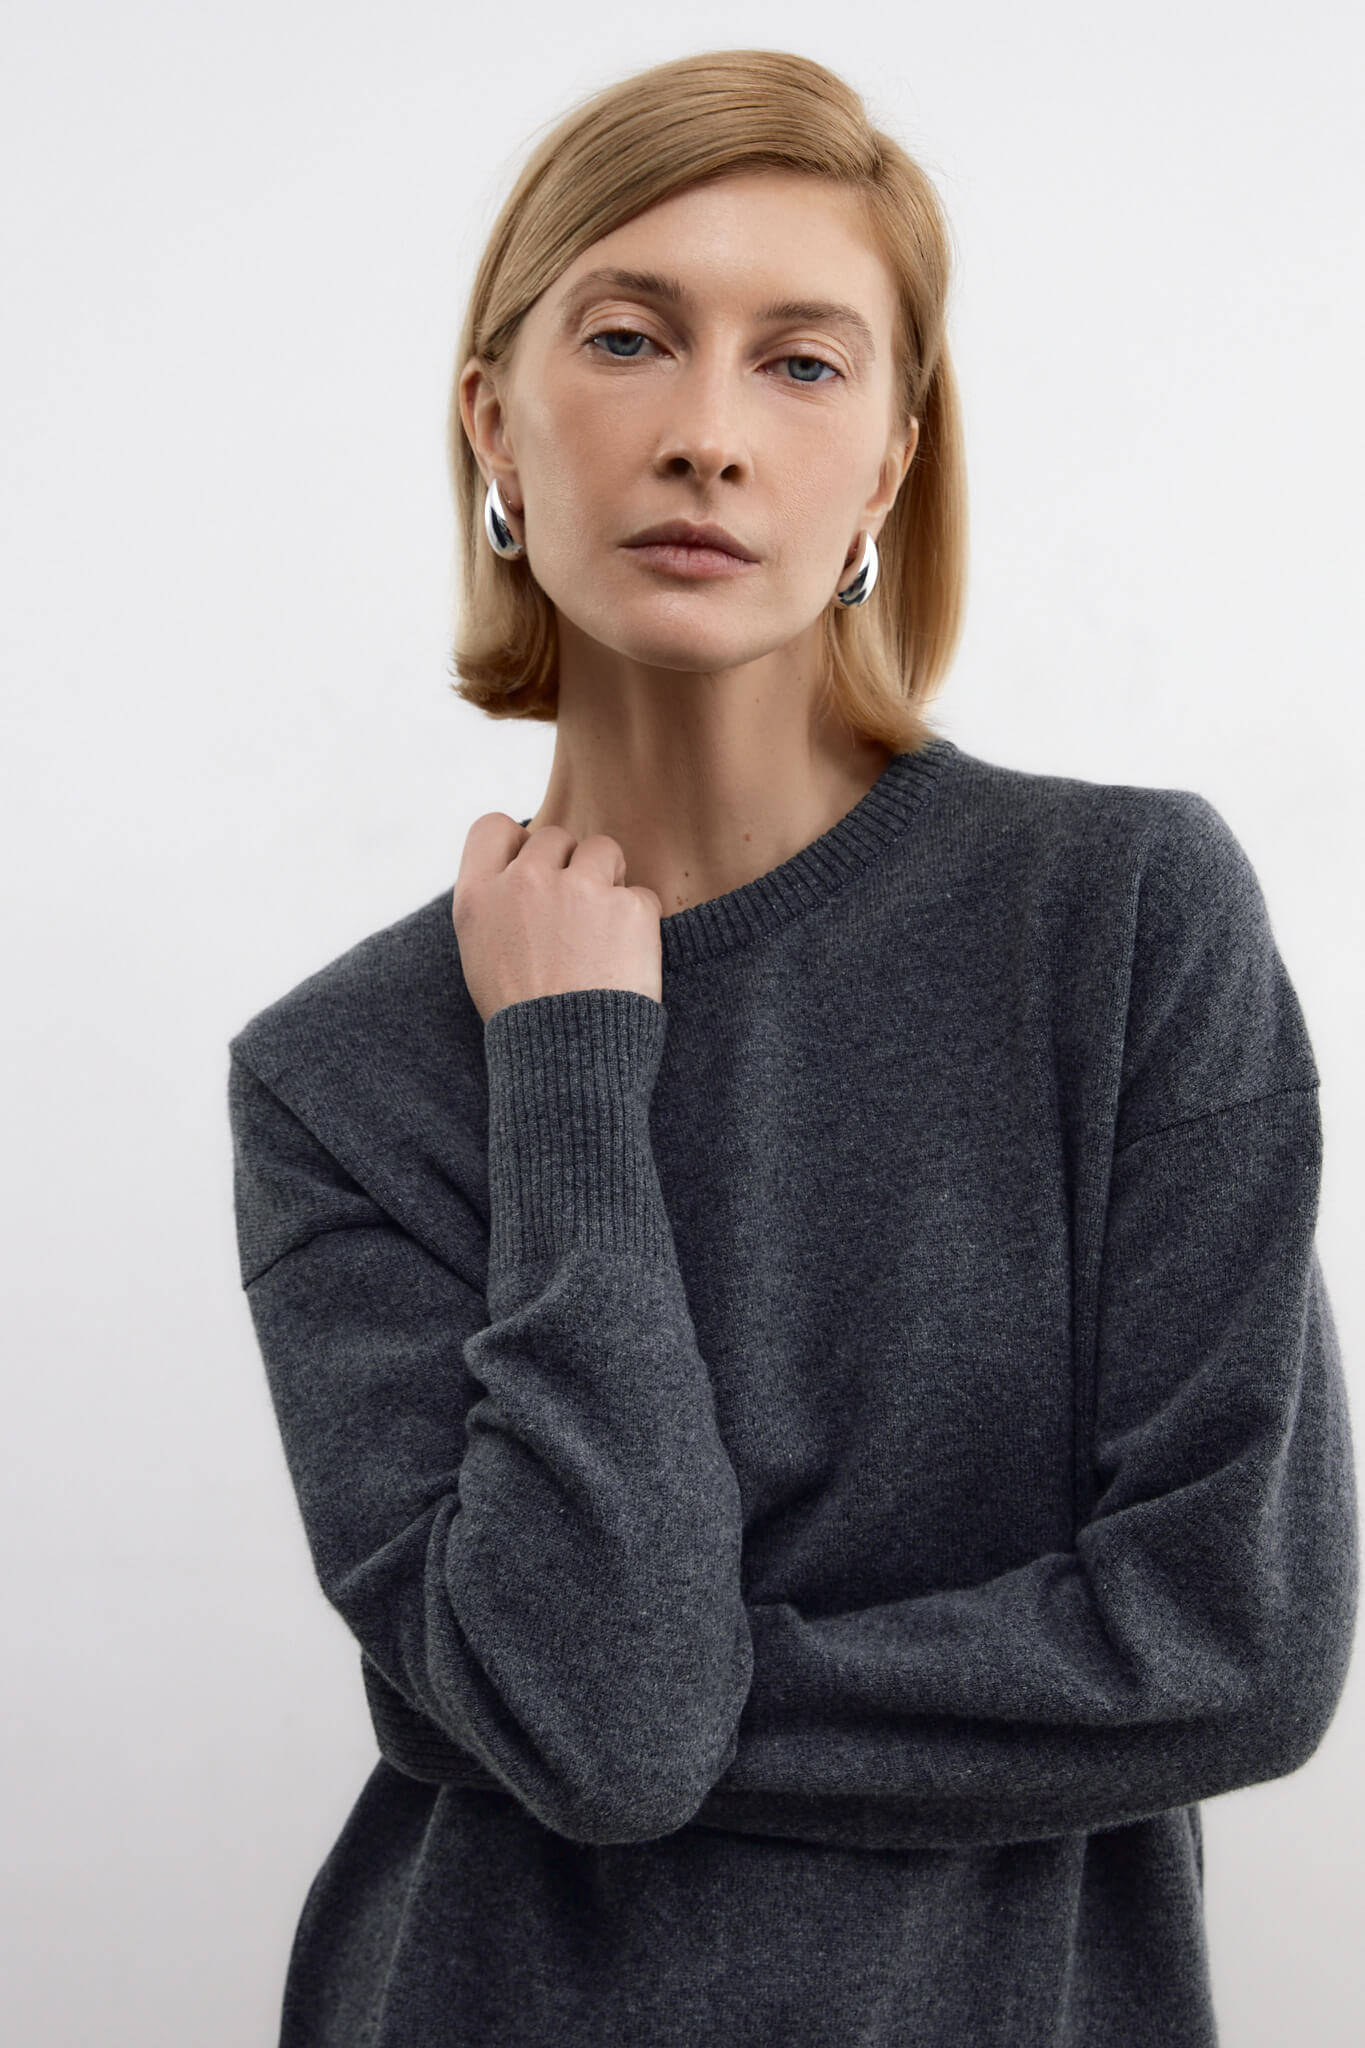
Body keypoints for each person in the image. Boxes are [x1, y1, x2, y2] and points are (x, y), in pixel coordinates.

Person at [226, 48, 1358, 2048]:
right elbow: (601, 1721)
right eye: (627, 337)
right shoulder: (344, 1071)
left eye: (801, 362)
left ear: (889, 467)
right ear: (494, 424)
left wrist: (618, 1701)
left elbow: (1230, 1643)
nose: (707, 437)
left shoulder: (1116, 918)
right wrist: (566, 1067)